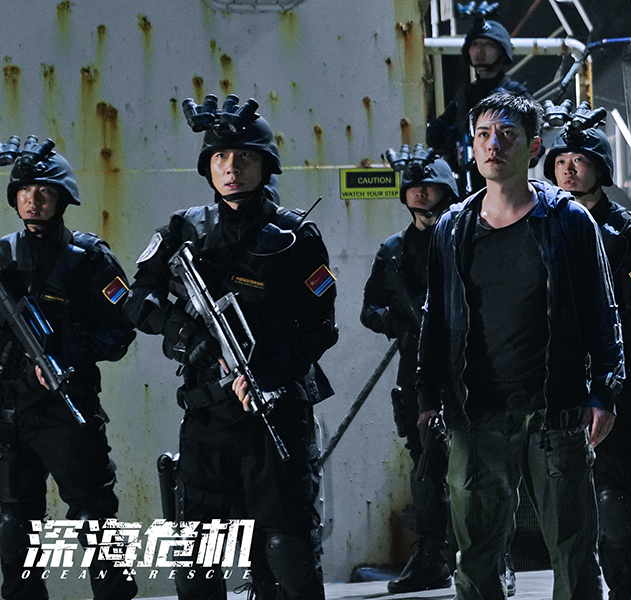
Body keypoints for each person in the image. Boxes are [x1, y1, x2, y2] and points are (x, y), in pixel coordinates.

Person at [125, 95, 338, 600]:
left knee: (284, 550)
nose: (231, 167)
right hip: (208, 418)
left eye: (244, 156)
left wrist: (267, 373)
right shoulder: (183, 230)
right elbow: (137, 297)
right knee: (197, 558)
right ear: (207, 167)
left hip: (275, 411)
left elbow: (320, 327)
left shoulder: (296, 236)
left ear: (265, 164)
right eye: (220, 157)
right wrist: (187, 337)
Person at [416, 91, 624, 600]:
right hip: (475, 415)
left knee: (574, 555)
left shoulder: (568, 220)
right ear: (472, 147)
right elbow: (436, 320)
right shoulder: (453, 228)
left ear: (533, 147)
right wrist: (427, 396)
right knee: (475, 560)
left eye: (508, 135)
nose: (494, 145)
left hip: (554, 411)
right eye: (484, 135)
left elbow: (602, 311)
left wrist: (604, 391)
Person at [0, 138, 137, 600]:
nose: (32, 200)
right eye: (24, 190)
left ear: (62, 198)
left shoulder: (89, 258)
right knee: (15, 525)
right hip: (10, 413)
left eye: (44, 191)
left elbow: (122, 331)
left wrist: (71, 352)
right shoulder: (2, 257)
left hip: (67, 410)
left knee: (95, 518)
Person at [544, 121, 631, 600]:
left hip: (612, 374)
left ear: (600, 169)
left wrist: (598, 332)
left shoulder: (625, 232)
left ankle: (623, 586)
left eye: (579, 161)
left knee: (613, 487)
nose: (568, 171)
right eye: (560, 162)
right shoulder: (539, 223)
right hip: (553, 375)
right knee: (556, 489)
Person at [360, 151, 460, 593]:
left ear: (445, 190)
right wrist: (397, 323)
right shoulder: (394, 251)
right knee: (425, 468)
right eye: (413, 188)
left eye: (428, 186)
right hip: (415, 369)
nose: (420, 194)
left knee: (481, 464)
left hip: (465, 366)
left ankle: (491, 557)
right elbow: (369, 308)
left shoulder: (465, 238)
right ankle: (432, 555)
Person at [426, 16, 531, 197]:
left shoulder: (516, 96)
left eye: (488, 45)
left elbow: (533, 148)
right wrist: (456, 141)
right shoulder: (465, 95)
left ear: (501, 51)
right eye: (474, 45)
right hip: (465, 188)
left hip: (505, 188)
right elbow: (435, 136)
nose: (479, 51)